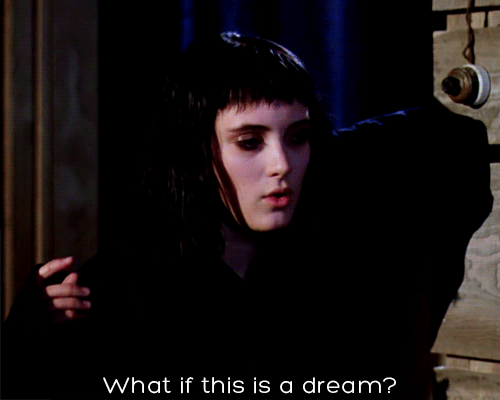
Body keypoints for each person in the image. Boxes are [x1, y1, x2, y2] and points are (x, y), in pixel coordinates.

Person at [2, 32, 492, 399]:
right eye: (249, 142)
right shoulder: (116, 292)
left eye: (298, 138)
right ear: (194, 149)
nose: (282, 165)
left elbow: (457, 139)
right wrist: (22, 345)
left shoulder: (328, 261)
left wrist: (319, 150)